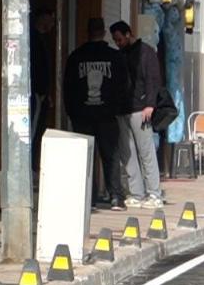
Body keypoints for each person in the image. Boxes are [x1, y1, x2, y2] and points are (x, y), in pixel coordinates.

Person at [65, 18, 128, 210]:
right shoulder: (115, 57)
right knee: (110, 156)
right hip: (107, 116)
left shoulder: (76, 57)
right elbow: (123, 86)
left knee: (85, 157)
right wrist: (116, 109)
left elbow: (68, 87)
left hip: (82, 116)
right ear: (103, 32)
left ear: (87, 31)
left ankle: (88, 198)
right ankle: (115, 196)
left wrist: (72, 113)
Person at [110, 21, 164, 209]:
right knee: (128, 153)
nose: (117, 42)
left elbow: (153, 79)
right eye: (115, 40)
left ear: (128, 34)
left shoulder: (146, 52)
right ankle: (137, 193)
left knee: (146, 151)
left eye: (119, 38)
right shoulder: (119, 55)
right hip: (122, 108)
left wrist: (150, 104)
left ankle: (154, 194)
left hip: (140, 109)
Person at [32, 9, 54, 173]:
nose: (52, 24)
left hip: (41, 94)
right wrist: (40, 91)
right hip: (35, 94)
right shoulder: (32, 38)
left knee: (38, 130)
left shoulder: (41, 39)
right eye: (50, 20)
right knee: (31, 131)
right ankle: (30, 167)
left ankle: (33, 166)